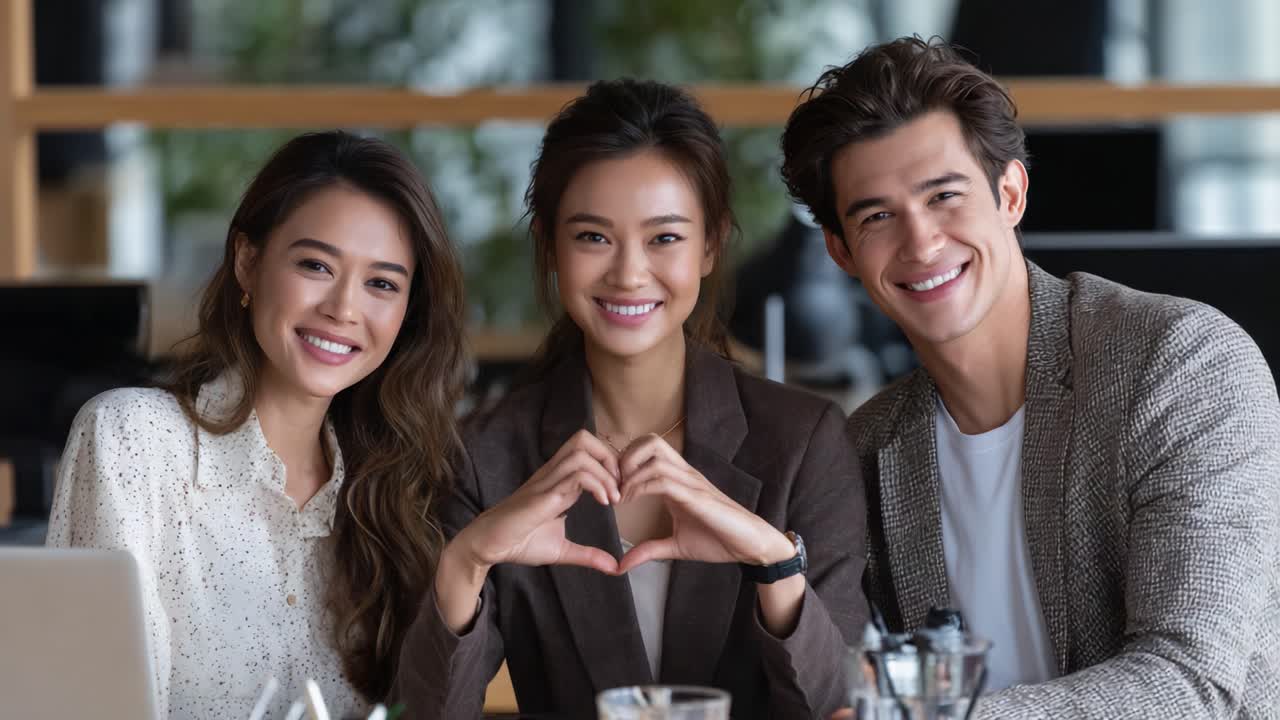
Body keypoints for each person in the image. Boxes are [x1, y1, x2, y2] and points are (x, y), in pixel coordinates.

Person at [781, 36, 1280, 718]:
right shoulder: (868, 446)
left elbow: (1190, 683)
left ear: (1010, 193)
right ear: (841, 251)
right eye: (877, 216)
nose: (922, 242)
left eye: (944, 197)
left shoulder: (1182, 365)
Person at [391, 78, 867, 719]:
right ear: (551, 245)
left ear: (711, 243)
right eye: (593, 237)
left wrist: (772, 561)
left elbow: (844, 705)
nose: (628, 272)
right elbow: (431, 712)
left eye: (664, 237)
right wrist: (467, 560)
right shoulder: (486, 453)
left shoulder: (804, 439)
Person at [46, 131, 468, 719]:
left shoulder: (396, 491)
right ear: (248, 261)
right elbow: (90, 704)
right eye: (316, 264)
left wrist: (469, 562)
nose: (344, 309)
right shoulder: (133, 441)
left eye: (382, 283)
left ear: (406, 314)